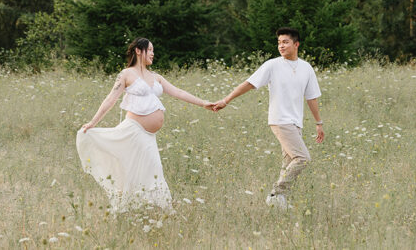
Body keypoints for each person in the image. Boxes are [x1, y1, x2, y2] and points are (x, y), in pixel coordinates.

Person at [76, 37, 215, 213]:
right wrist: (93, 122)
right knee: (152, 169)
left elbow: (178, 92)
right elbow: (111, 99)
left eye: (153, 51)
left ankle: (144, 210)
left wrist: (204, 103)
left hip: (149, 136)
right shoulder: (126, 74)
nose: (152, 54)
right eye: (149, 50)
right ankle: (158, 211)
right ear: (138, 51)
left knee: (147, 171)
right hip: (134, 131)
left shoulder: (155, 77)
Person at [213, 27, 324, 209]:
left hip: (296, 122)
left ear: (296, 44)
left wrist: (318, 123)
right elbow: (249, 83)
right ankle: (276, 193)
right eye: (279, 42)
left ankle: (279, 202)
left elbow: (311, 97)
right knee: (302, 158)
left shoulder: (306, 68)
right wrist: (226, 100)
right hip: (280, 120)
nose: (281, 46)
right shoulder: (272, 65)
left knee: (288, 162)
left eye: (285, 42)